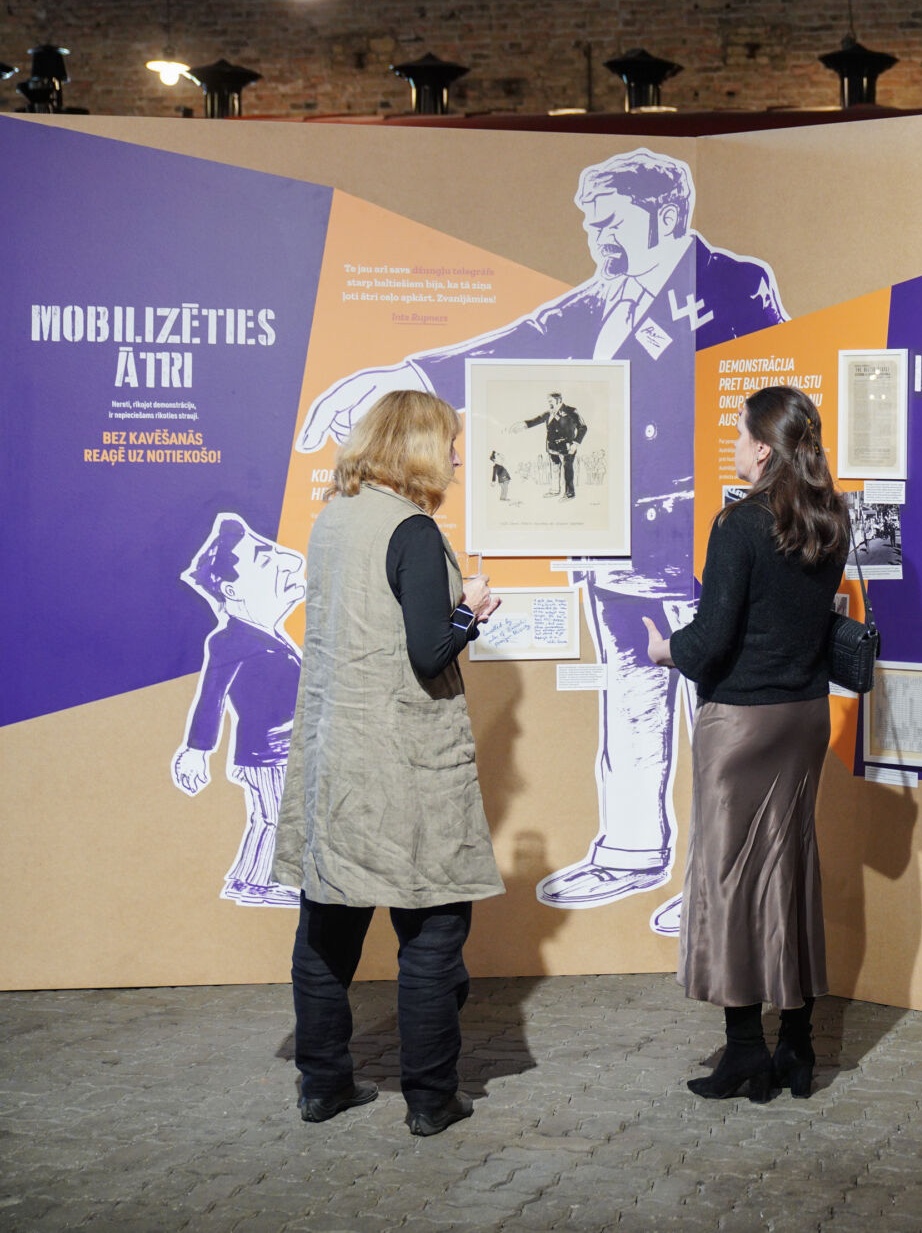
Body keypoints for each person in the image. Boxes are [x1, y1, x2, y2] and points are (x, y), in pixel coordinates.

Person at [293, 149, 787, 939]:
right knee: (629, 695)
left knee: (712, 710)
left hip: (693, 539)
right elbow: (512, 342)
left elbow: (764, 406)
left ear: (663, 215)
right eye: (589, 220)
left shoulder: (733, 284)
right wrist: (402, 375)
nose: (594, 234)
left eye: (609, 217)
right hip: (614, 539)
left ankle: (719, 877)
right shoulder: (603, 298)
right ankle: (632, 847)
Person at [272, 391, 504, 1137]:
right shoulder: (411, 528)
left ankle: (323, 1085)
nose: (460, 456)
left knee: (326, 933)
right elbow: (428, 651)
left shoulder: (333, 520)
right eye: (451, 442)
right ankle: (431, 1099)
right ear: (421, 448)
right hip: (403, 764)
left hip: (337, 760)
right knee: (434, 932)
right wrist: (472, 608)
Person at [641, 386, 847, 1103]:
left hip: (743, 724)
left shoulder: (738, 524)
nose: (733, 443)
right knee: (790, 871)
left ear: (763, 446)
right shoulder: (830, 517)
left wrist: (666, 648)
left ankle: (744, 1050)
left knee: (729, 881)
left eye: (738, 433)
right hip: (806, 717)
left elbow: (713, 638)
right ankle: (797, 1043)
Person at [172, 513, 307, 908]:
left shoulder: (268, 636)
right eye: (266, 561)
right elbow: (210, 698)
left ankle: (251, 881)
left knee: (271, 817)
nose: (289, 562)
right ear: (232, 591)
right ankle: (271, 882)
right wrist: (197, 751)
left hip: (276, 749)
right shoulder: (230, 640)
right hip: (267, 753)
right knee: (278, 818)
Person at [524, 392, 587, 499]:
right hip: (552, 447)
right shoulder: (549, 413)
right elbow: (534, 421)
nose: (549, 403)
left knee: (568, 468)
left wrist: (576, 444)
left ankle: (569, 492)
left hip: (568, 446)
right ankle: (554, 490)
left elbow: (583, 427)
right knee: (554, 468)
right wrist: (522, 425)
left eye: (550, 401)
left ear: (559, 400)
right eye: (548, 401)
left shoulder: (571, 411)